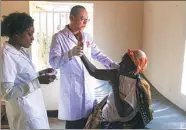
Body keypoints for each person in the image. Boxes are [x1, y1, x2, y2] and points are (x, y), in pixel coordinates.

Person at [49, 5, 119, 129]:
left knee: (88, 124)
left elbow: (98, 55)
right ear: (72, 18)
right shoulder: (59, 37)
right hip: (72, 92)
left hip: (88, 89)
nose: (85, 22)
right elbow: (54, 63)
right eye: (82, 19)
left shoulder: (87, 37)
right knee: (73, 125)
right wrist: (70, 54)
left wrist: (114, 66)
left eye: (87, 19)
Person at [0, 12, 57, 129]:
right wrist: (38, 82)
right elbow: (7, 93)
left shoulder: (20, 51)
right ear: (17, 34)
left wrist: (40, 73)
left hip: (35, 107)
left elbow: (22, 77)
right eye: (29, 34)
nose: (33, 38)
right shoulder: (6, 56)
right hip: (25, 114)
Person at [80, 49, 153, 129]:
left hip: (119, 124)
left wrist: (115, 86)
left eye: (124, 63)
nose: (120, 64)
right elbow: (94, 72)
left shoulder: (136, 87)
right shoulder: (118, 72)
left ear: (134, 68)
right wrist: (81, 54)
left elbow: (122, 113)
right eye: (121, 61)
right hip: (104, 117)